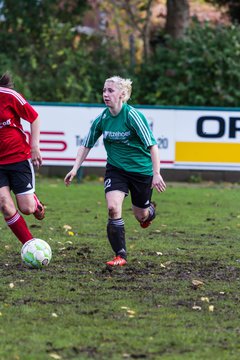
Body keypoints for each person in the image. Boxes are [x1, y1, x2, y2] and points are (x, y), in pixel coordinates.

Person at [64, 75, 166, 266]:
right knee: (112, 208)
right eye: (104, 90)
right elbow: (86, 144)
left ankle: (150, 212)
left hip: (141, 172)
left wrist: (156, 173)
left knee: (141, 215)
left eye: (110, 90)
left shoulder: (132, 116)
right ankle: (121, 255)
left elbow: (152, 145)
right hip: (116, 170)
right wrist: (75, 168)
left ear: (123, 94)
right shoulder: (102, 118)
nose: (105, 94)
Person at [0, 72, 45, 246]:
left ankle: (34, 201)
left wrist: (35, 147)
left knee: (27, 208)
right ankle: (30, 245)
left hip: (18, 158)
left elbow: (34, 118)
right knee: (4, 204)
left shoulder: (8, 95)